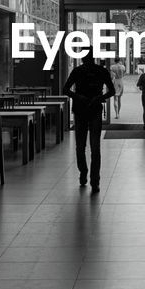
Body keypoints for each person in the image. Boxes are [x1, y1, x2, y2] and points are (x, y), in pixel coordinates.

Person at [61, 46, 116, 191]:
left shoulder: (78, 71)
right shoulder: (101, 71)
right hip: (95, 109)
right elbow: (112, 91)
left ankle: (84, 173)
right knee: (94, 147)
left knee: (81, 146)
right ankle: (94, 180)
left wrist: (78, 97)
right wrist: (99, 98)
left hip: (80, 110)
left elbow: (65, 89)